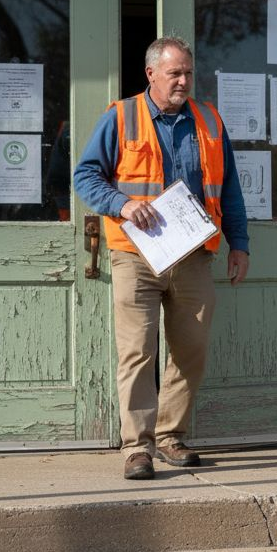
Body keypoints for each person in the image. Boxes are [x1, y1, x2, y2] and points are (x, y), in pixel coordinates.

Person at [73, 36, 250, 480]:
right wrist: (121, 203)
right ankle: (137, 447)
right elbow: (84, 176)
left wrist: (239, 243)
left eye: (188, 72)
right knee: (137, 352)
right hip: (135, 254)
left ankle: (170, 436)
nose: (184, 81)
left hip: (192, 255)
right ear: (151, 73)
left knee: (192, 348)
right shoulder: (121, 116)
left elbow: (228, 188)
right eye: (175, 73)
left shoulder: (209, 119)